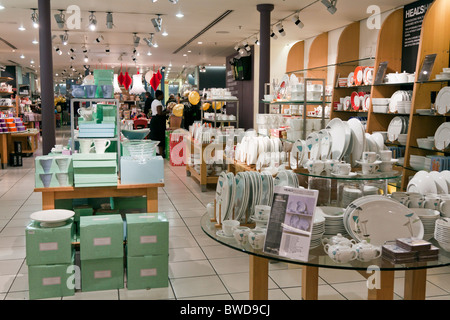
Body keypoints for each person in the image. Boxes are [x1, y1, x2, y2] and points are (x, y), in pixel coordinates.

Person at [149, 90, 171, 157]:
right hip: (158, 122)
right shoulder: (158, 103)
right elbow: (159, 113)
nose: (163, 96)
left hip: (154, 121)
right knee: (160, 137)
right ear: (160, 95)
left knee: (156, 137)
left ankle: (158, 153)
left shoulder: (153, 102)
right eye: (162, 95)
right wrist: (167, 111)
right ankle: (161, 154)